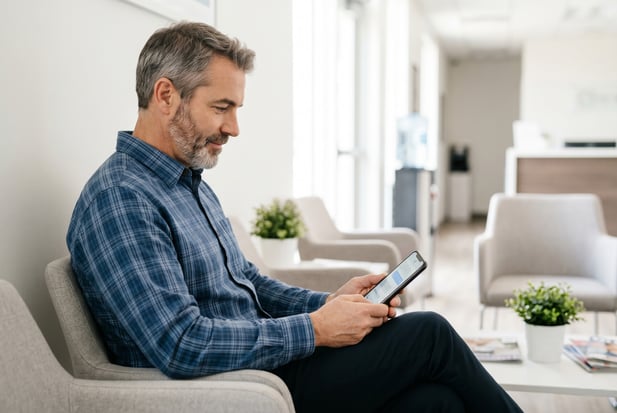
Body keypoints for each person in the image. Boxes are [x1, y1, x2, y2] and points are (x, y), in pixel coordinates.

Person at [67, 22, 523, 413]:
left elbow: (245, 278)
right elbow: (181, 343)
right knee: (429, 333)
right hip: (237, 390)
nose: (233, 128)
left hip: (267, 365)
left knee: (438, 402)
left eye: (236, 110)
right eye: (221, 108)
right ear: (166, 95)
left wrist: (324, 305)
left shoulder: (188, 182)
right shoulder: (123, 199)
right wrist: (314, 330)